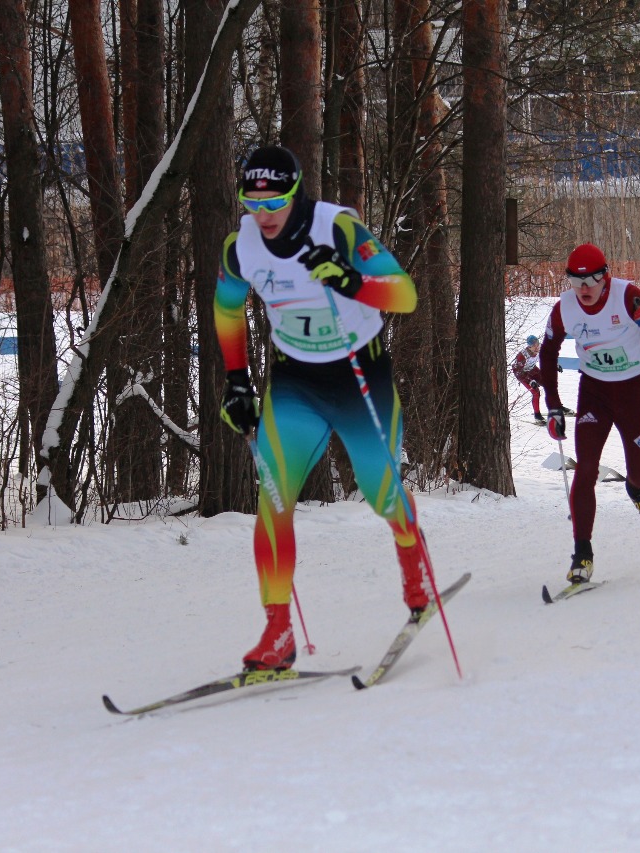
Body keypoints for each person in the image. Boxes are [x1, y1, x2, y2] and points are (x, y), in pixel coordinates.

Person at [215, 145, 427, 671]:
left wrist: (350, 280)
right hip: (294, 381)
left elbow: (405, 295)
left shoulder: (338, 230)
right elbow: (226, 310)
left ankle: (413, 561)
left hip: (361, 376)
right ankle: (277, 629)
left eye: (275, 202)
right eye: (252, 202)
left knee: (381, 493)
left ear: (297, 193)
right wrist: (236, 380)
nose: (263, 215)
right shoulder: (239, 247)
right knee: (274, 497)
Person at [537, 243, 640, 583]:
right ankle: (582, 554)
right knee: (585, 469)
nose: (584, 289)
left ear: (606, 277)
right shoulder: (564, 308)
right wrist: (553, 404)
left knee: (639, 473)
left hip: (633, 391)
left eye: (592, 280)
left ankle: (638, 490)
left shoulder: (627, 295)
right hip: (595, 393)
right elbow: (547, 352)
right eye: (576, 281)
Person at [512, 334, 546, 425]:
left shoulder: (541, 348)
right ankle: (537, 415)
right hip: (521, 373)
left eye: (537, 344)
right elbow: (518, 372)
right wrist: (530, 381)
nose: (536, 347)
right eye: (533, 346)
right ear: (529, 346)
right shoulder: (522, 355)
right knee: (536, 392)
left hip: (532, 369)